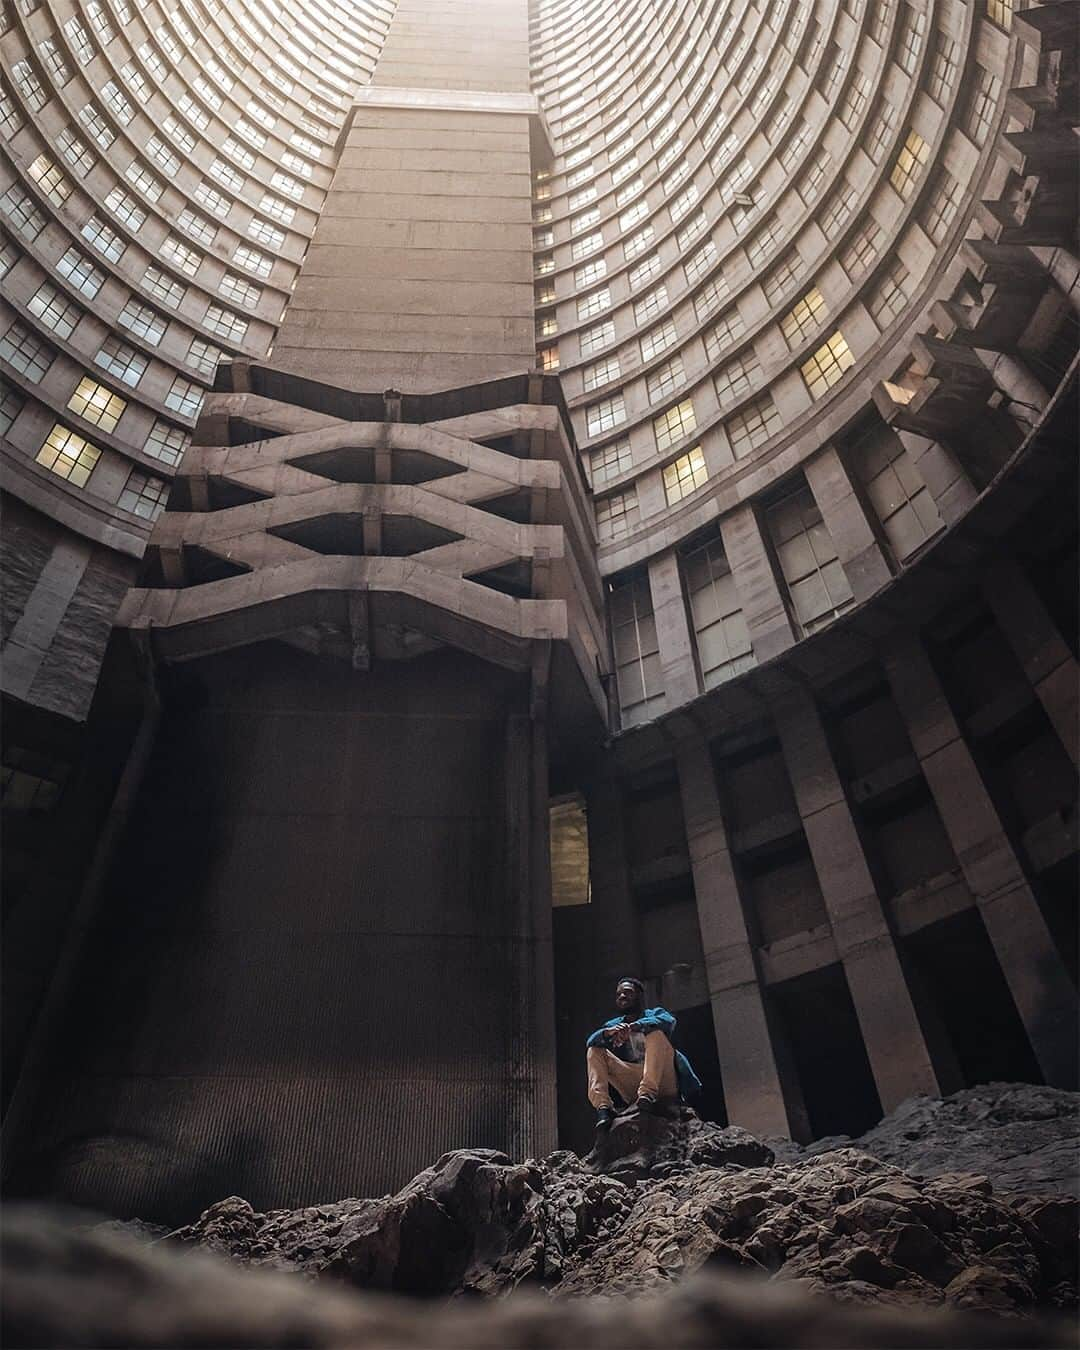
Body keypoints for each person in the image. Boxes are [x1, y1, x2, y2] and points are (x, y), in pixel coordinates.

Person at [585, 977, 702, 1130]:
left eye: (628, 993)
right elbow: (591, 1041)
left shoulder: (655, 1013)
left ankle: (648, 1095)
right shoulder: (614, 1024)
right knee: (594, 1050)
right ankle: (603, 1108)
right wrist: (608, 1033)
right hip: (634, 1083)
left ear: (640, 996)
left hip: (663, 1082)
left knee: (656, 1034)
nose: (622, 997)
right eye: (619, 994)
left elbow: (669, 1021)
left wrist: (635, 1026)